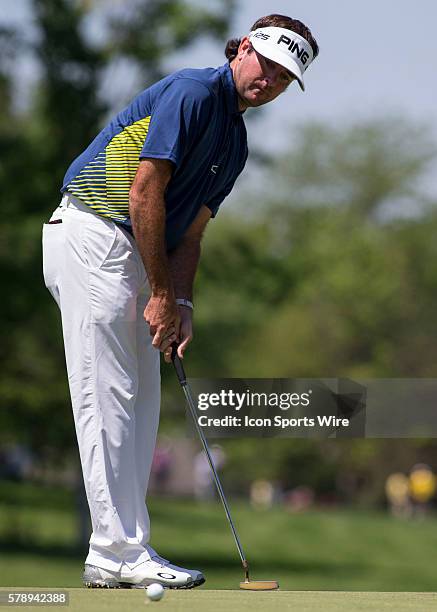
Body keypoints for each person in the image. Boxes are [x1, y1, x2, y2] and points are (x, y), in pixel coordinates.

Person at [42, 13, 319, 589]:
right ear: (242, 48)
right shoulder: (193, 92)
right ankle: (113, 548)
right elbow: (145, 193)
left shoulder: (235, 140)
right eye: (265, 63)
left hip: (140, 254)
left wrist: (182, 303)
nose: (268, 80)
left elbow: (190, 234)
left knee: (142, 403)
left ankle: (125, 549)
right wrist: (162, 293)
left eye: (284, 77)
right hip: (95, 230)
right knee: (108, 395)